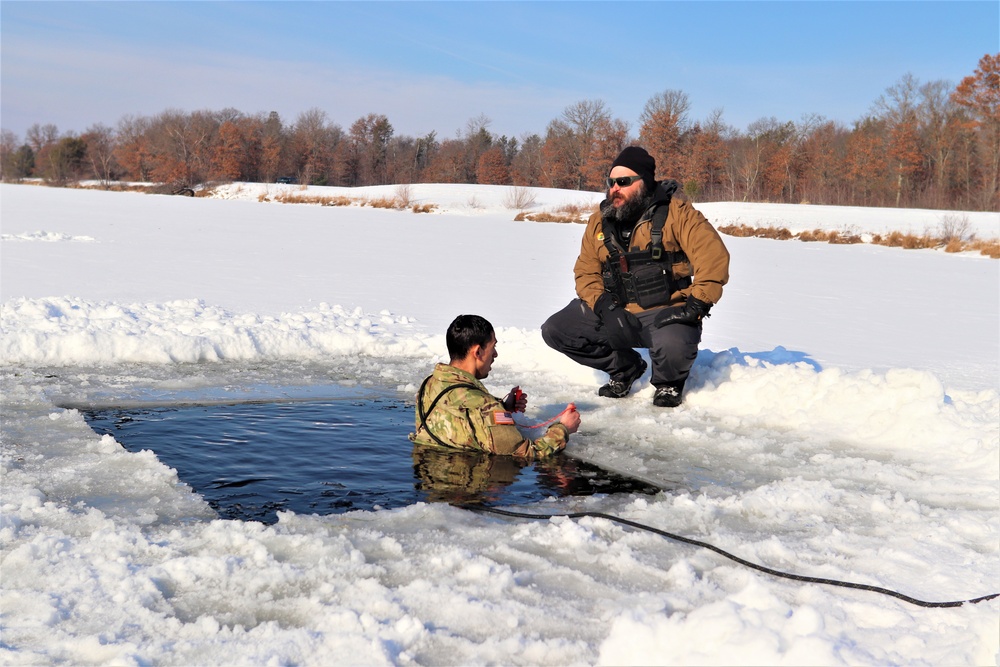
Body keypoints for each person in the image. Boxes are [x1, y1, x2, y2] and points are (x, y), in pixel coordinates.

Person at [541, 146, 730, 408]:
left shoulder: (679, 214)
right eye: (611, 182)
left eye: (624, 181)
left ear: (645, 182)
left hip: (666, 312)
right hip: (618, 312)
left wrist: (696, 305)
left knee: (674, 345)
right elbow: (585, 271)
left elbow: (713, 258)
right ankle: (625, 368)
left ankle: (668, 382)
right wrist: (604, 306)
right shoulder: (599, 221)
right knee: (556, 330)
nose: (615, 188)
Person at [410, 314, 581, 457]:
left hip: (430, 480)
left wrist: (503, 407)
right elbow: (526, 454)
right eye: (493, 347)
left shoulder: (428, 385)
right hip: (469, 488)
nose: (496, 354)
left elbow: (459, 414)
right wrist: (563, 428)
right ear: (477, 352)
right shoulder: (486, 407)